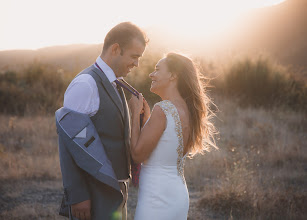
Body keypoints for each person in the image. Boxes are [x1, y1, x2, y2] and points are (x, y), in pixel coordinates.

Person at [58, 22, 148, 220]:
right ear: (116, 49)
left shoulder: (116, 83)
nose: (137, 64)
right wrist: (78, 195)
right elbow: (67, 144)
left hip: (116, 190)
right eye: (134, 56)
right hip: (93, 191)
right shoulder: (85, 84)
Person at [129, 53, 217, 220]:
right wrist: (147, 120)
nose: (151, 74)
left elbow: (138, 154)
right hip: (178, 195)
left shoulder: (162, 109)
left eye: (157, 69)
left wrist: (134, 114)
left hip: (156, 197)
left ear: (173, 75)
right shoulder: (190, 112)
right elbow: (164, 145)